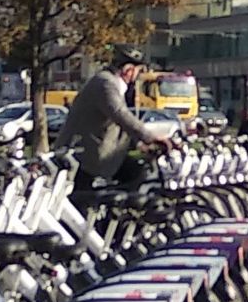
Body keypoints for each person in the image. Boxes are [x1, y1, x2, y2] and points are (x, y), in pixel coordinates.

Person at [58, 45, 179, 193]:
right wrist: (150, 137)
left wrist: (139, 144)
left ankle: (115, 211)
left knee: (135, 171)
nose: (139, 76)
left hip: (95, 153)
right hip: (83, 155)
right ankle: (116, 212)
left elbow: (119, 124)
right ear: (128, 70)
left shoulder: (111, 84)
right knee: (84, 202)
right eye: (138, 71)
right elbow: (120, 115)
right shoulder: (105, 84)